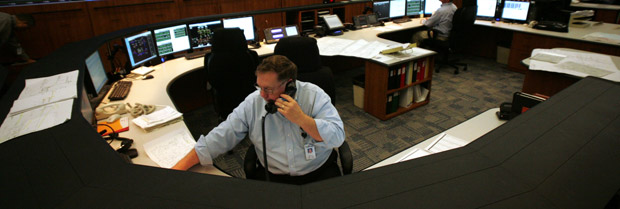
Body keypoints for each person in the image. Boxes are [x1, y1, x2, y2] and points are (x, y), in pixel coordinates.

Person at [172, 55, 345, 185]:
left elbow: (337, 136)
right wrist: (176, 171)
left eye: (268, 89)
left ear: (289, 85)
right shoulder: (253, 102)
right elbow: (222, 135)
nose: (262, 95)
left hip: (318, 171)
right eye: (259, 87)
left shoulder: (314, 96)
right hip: (274, 176)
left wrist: (301, 119)